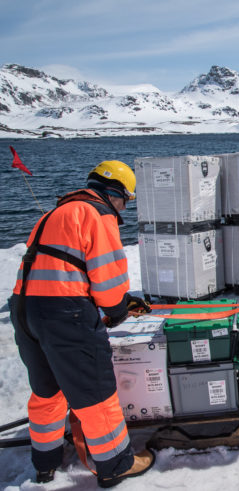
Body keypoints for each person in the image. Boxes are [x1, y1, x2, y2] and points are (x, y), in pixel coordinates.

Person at [9, 160, 155, 486]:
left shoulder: (56, 213)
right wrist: (118, 309)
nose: (123, 209)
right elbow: (108, 277)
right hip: (65, 312)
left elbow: (63, 263)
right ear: (117, 194)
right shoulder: (98, 214)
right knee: (95, 393)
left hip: (25, 309)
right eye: (126, 202)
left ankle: (45, 462)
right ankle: (116, 464)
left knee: (48, 392)